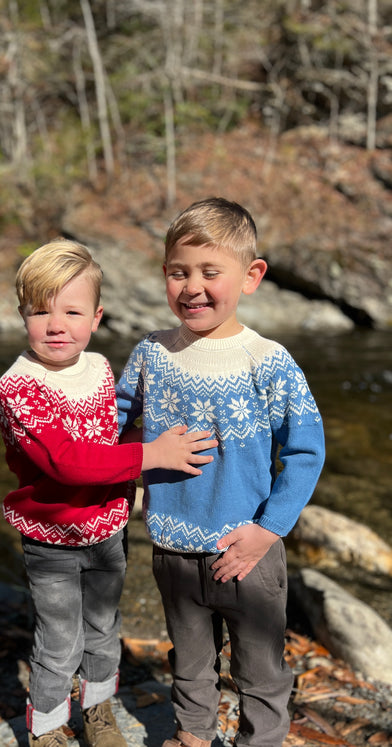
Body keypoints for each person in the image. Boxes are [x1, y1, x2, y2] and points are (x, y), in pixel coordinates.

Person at [115, 198, 326, 747]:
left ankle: (261, 740)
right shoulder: (150, 355)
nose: (193, 287)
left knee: (260, 671)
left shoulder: (268, 361)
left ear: (251, 277)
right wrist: (129, 461)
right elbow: (114, 423)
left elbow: (305, 452)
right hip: (173, 549)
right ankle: (193, 736)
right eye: (178, 272)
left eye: (211, 273)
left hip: (248, 551)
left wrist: (268, 529)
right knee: (189, 661)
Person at [0, 238, 217, 747]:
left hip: (107, 529)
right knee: (58, 640)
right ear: (22, 315)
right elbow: (67, 463)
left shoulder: (97, 368)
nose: (56, 325)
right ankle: (48, 727)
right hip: (51, 535)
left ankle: (97, 710)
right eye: (40, 311)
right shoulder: (19, 387)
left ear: (96, 318)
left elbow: (108, 435)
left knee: (102, 630)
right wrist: (149, 456)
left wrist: (155, 438)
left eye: (71, 312)